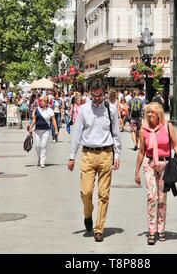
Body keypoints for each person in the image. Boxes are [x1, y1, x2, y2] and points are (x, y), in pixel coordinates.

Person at [68, 78, 121, 242]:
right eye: (94, 96)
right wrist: (72, 156)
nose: (96, 99)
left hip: (106, 154)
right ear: (90, 94)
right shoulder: (84, 109)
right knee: (86, 192)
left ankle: (99, 229)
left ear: (104, 94)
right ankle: (87, 213)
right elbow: (77, 134)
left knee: (104, 194)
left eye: (99, 96)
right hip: (88, 155)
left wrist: (117, 155)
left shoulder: (111, 109)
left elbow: (116, 132)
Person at [135, 103, 177, 245]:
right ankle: (152, 231)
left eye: (152, 112)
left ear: (159, 114)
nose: (150, 115)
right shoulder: (143, 130)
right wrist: (136, 171)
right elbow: (141, 152)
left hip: (165, 165)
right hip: (150, 164)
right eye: (148, 112)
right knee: (152, 197)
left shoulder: (167, 126)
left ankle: (161, 229)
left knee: (162, 199)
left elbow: (175, 144)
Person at [27, 95, 59, 168]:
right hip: (37, 130)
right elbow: (34, 120)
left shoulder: (50, 110)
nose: (40, 102)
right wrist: (30, 128)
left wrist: (56, 130)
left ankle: (42, 161)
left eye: (42, 101)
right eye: (40, 101)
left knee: (43, 145)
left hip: (46, 131)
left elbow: (53, 121)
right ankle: (39, 158)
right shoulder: (36, 110)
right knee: (37, 146)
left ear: (46, 102)